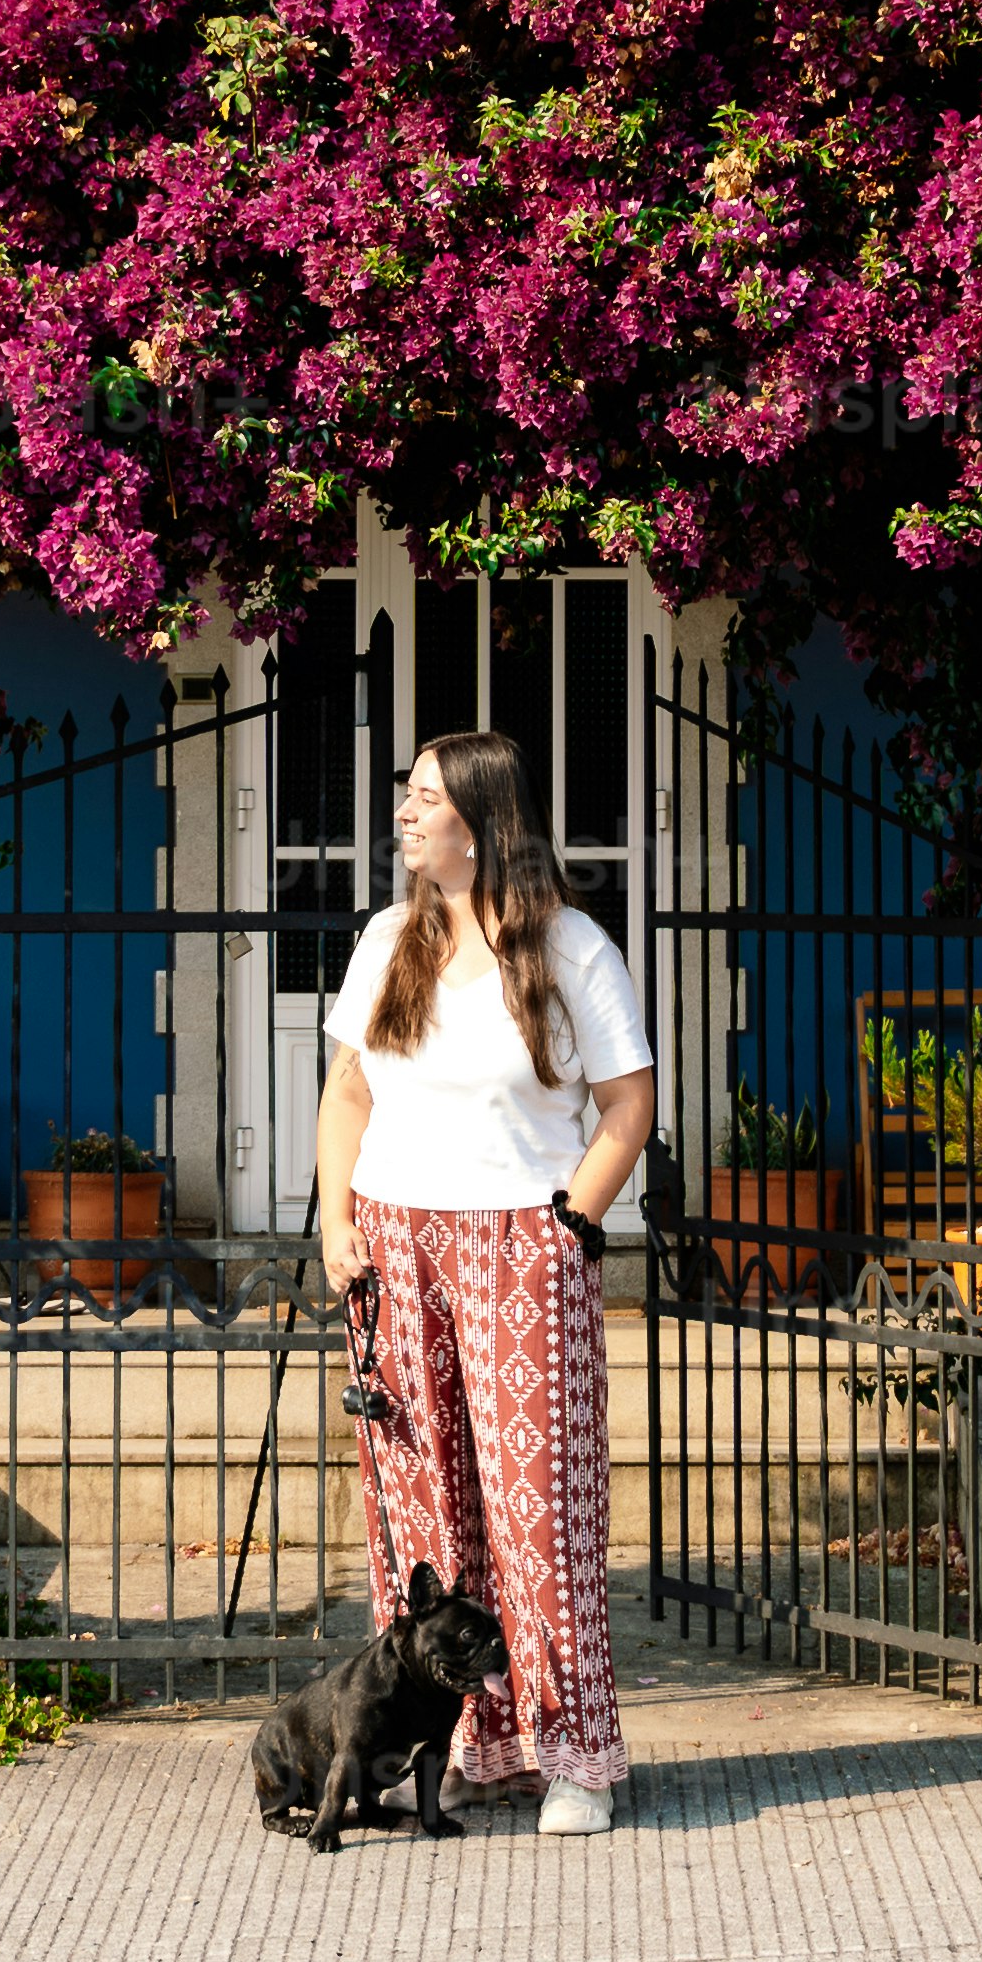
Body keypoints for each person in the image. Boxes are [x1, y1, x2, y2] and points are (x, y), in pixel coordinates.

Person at [314, 722, 653, 1835]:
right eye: (406, 795)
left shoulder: (570, 949)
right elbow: (349, 1093)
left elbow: (627, 1104)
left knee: (537, 1509)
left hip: (519, 1243)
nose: (404, 812)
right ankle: (462, 1737)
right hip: (397, 1241)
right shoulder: (386, 939)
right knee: (424, 1511)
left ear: (482, 817)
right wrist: (337, 1220)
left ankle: (576, 1757)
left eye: (424, 797)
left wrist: (570, 1224)